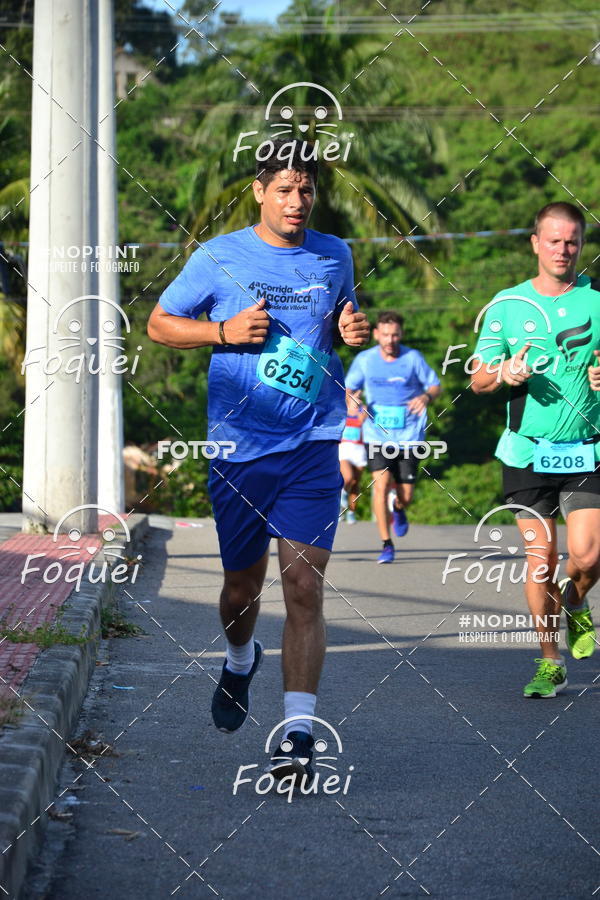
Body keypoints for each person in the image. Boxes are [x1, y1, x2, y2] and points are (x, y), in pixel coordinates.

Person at [147, 140, 369, 782]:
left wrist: (350, 332)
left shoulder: (334, 254)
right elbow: (160, 324)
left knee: (304, 584)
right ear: (259, 191)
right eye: (284, 189)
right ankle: (240, 659)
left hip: (313, 441)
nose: (297, 201)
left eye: (306, 190)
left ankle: (298, 730)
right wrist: (221, 333)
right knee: (241, 588)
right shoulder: (218, 258)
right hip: (239, 449)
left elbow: (339, 322)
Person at [471, 201, 599, 698]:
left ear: (581, 245)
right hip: (525, 451)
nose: (563, 249)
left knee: (587, 556)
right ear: (535, 243)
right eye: (554, 240)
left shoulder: (596, 301)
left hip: (587, 448)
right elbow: (479, 378)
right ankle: (549, 660)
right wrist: (504, 373)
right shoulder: (507, 306)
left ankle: (577, 601)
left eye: (572, 241)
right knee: (540, 559)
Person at [345, 311, 441, 563]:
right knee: (380, 486)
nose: (390, 340)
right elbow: (350, 389)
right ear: (376, 334)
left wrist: (425, 397)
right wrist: (354, 402)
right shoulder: (365, 360)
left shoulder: (412, 359)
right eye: (385, 334)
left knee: (406, 495)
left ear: (402, 334)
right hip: (377, 435)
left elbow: (434, 385)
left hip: (409, 435)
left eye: (395, 334)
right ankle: (386, 545)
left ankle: (399, 509)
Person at [339, 396, 367, 523]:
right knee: (348, 477)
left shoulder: (362, 411)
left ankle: (351, 512)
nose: (356, 401)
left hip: (359, 450)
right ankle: (342, 496)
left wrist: (360, 408)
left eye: (359, 399)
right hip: (344, 449)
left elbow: (362, 421)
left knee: (355, 483)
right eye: (353, 399)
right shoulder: (342, 410)